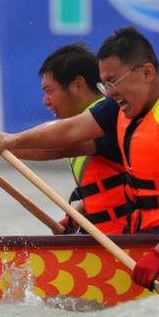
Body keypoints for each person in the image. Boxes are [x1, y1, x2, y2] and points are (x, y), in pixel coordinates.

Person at [0, 27, 159, 290]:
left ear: (146, 72)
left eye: (113, 81)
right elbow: (69, 133)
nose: (109, 92)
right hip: (148, 237)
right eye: (105, 84)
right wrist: (10, 142)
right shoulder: (123, 107)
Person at [34, 44, 130, 234]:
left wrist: (6, 144)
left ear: (78, 84)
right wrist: (75, 217)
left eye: (49, 91)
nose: (45, 100)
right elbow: (109, 185)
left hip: (128, 240)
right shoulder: (86, 122)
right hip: (109, 235)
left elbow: (55, 148)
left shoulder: (110, 117)